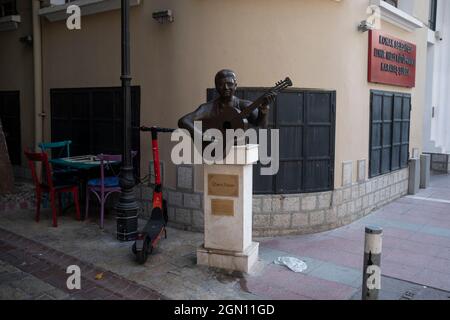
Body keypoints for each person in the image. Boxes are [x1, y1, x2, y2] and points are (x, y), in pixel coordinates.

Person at [178, 69, 276, 141]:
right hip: (213, 150)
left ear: (235, 86)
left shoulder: (244, 105)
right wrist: (203, 136)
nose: (226, 88)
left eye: (229, 84)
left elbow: (261, 125)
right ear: (216, 87)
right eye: (221, 84)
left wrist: (264, 110)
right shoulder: (208, 108)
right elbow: (184, 121)